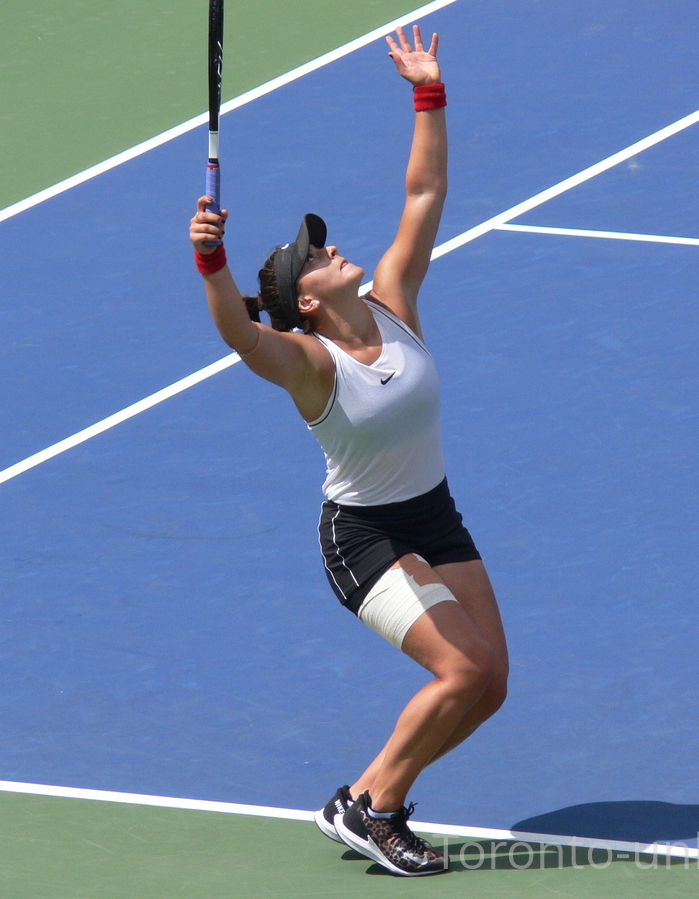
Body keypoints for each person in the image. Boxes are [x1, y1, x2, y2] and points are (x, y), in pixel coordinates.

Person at [188, 25, 508, 877]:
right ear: (304, 297)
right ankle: (379, 810)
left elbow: (424, 193)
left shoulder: (394, 299)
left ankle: (357, 797)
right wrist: (211, 261)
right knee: (460, 668)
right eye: (314, 254)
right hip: (362, 535)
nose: (330, 247)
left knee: (491, 683)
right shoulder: (309, 364)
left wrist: (428, 93)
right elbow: (237, 335)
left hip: (433, 513)